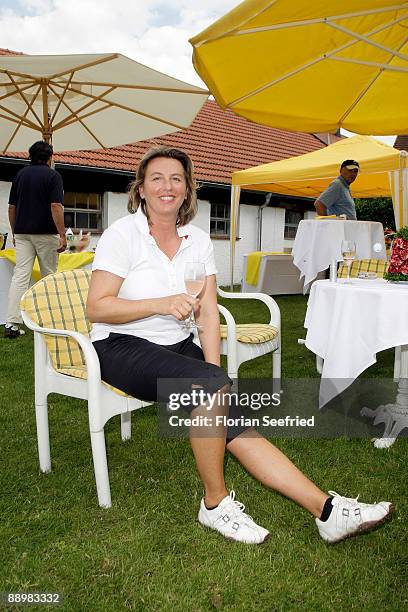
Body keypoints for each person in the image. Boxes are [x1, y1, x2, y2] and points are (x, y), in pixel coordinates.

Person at [87, 146, 393, 545]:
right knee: (211, 393)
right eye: (157, 178)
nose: (167, 186)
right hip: (121, 345)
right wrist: (159, 305)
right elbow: (97, 307)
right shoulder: (121, 235)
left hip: (177, 345)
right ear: (141, 189)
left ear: (187, 189)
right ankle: (214, 504)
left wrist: (216, 374)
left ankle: (327, 512)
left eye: (176, 179)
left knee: (234, 420)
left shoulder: (196, 240)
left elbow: (208, 313)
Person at [4, 141, 66, 338]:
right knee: (49, 276)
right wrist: (62, 234)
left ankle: (12, 323)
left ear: (30, 156)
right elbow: (56, 206)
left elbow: (11, 208)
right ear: (50, 157)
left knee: (20, 275)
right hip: (46, 233)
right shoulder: (53, 175)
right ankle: (50, 321)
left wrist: (14, 232)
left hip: (22, 233)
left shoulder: (20, 175)